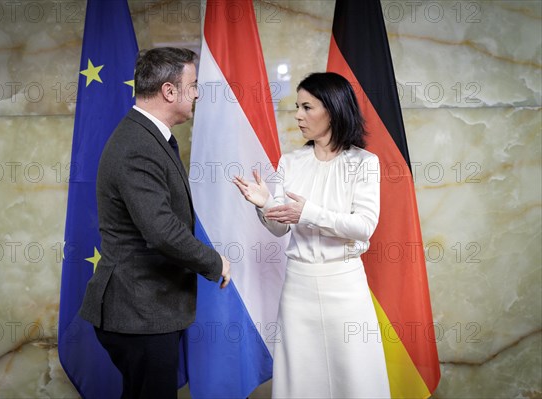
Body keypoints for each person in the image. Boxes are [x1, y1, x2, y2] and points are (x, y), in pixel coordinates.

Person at [79, 47, 231, 399]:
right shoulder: (138, 145)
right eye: (192, 85)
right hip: (139, 311)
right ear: (169, 91)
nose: (196, 93)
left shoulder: (148, 137)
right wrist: (216, 261)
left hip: (147, 309)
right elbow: (161, 231)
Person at [234, 72, 390, 398]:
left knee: (355, 374)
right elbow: (280, 228)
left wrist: (309, 213)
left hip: (345, 286)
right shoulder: (291, 162)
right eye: (297, 107)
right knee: (302, 378)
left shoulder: (364, 163)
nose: (298, 116)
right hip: (298, 287)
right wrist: (264, 205)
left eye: (307, 107)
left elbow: (363, 226)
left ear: (332, 110)